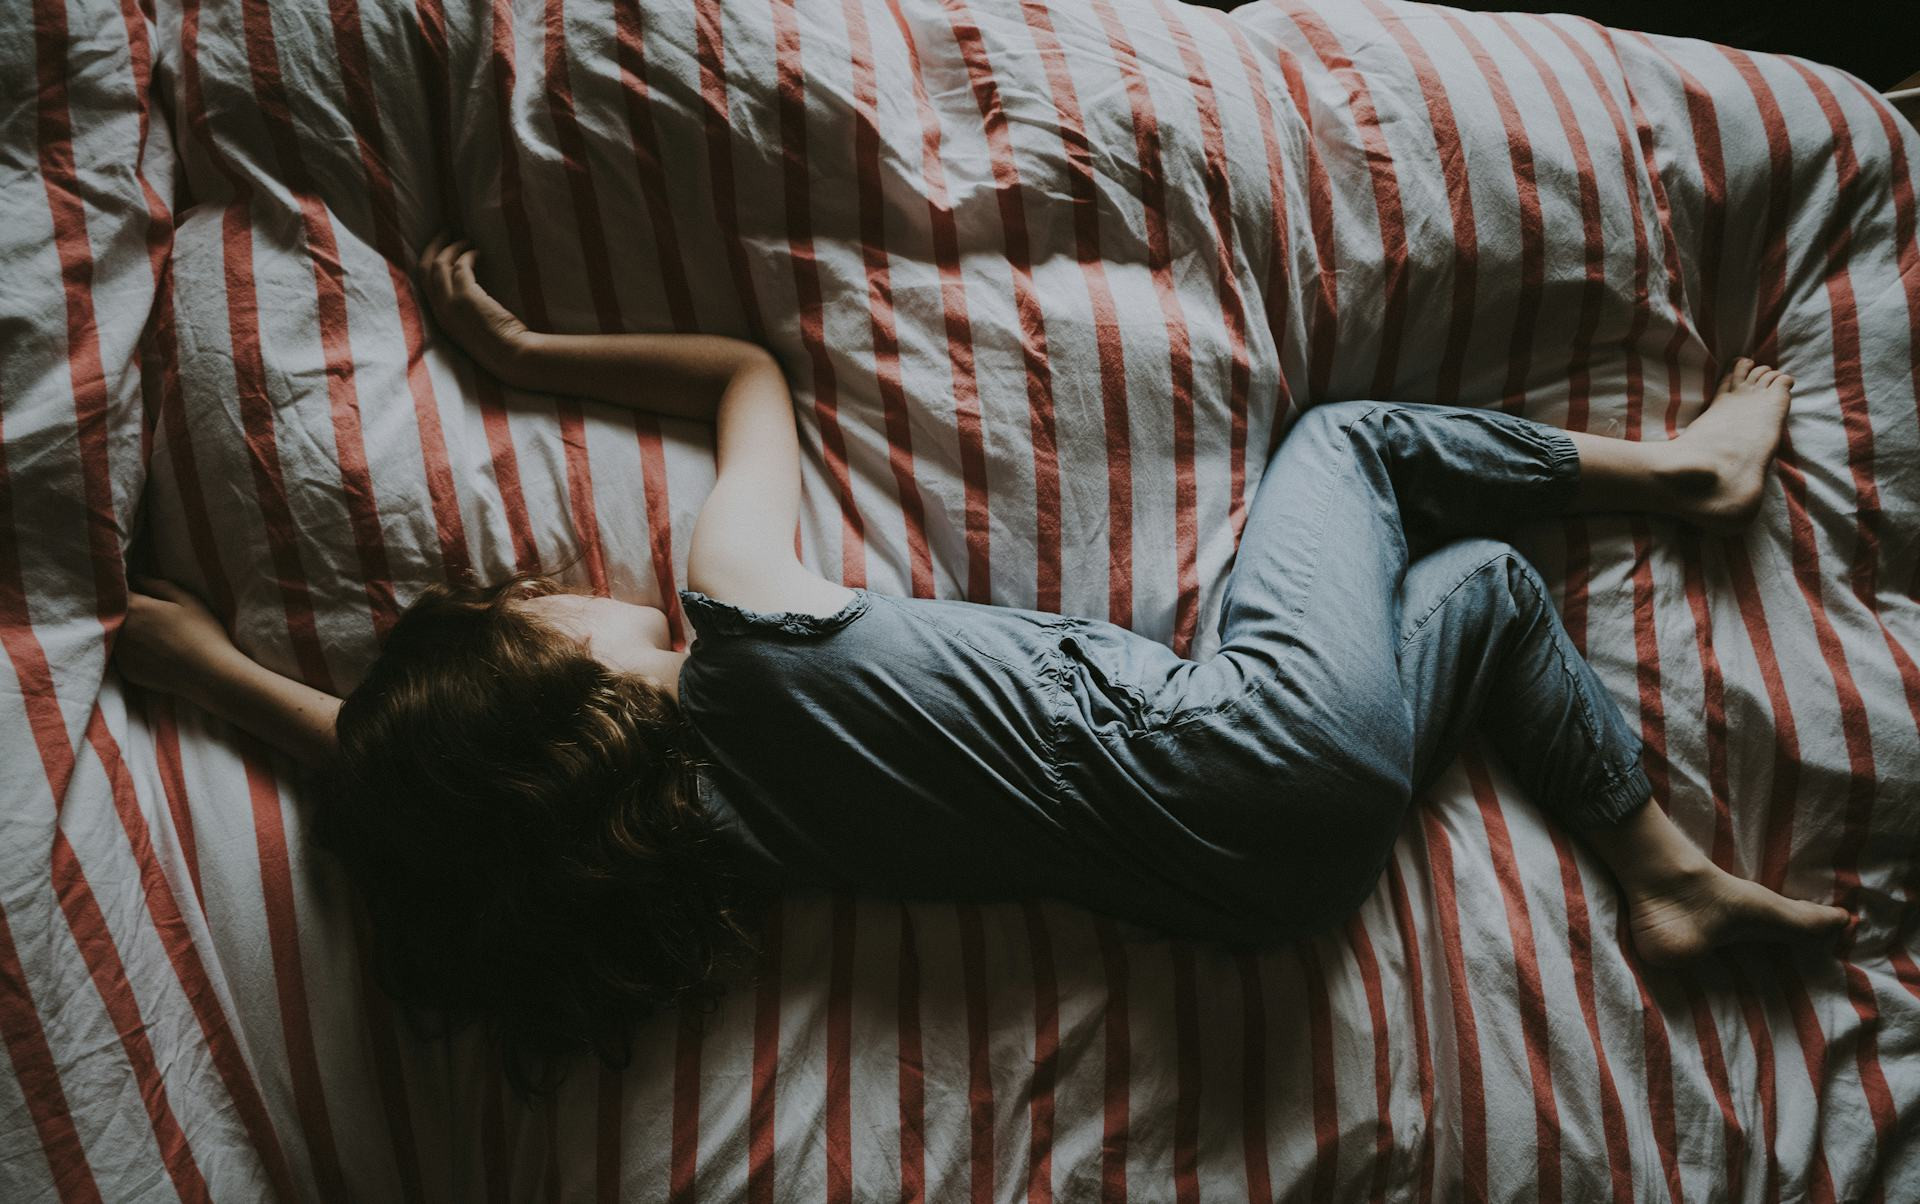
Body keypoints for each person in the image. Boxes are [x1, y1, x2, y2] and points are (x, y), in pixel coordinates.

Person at [116, 236, 1851, 1085]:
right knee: (1351, 444)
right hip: (1257, 747)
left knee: (1486, 586)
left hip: (1267, 888)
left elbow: (416, 777)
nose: (558, 587)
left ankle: (1666, 878)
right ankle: (1684, 476)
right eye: (529, 610)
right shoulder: (735, 626)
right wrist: (526, 352)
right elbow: (745, 378)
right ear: (547, 685)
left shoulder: (722, 843)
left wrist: (210, 679)